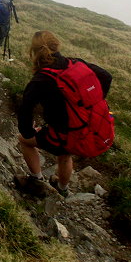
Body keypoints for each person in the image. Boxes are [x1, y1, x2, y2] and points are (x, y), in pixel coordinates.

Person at [14, 30, 112, 197]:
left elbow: (25, 110)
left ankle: (36, 181)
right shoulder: (75, 63)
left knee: (24, 140)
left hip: (65, 134)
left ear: (34, 51)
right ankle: (62, 188)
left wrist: (28, 132)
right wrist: (94, 101)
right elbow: (106, 76)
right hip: (83, 128)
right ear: (57, 46)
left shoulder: (41, 79)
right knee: (65, 155)